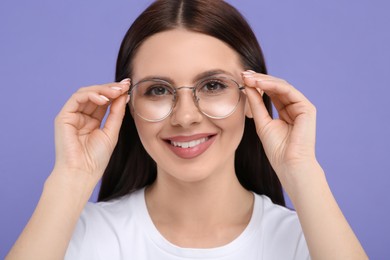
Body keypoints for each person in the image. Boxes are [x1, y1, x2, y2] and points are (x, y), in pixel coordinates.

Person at [7, 0, 368, 259]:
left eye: (212, 86)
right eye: (158, 90)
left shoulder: (308, 241)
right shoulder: (76, 235)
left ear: (251, 98)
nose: (185, 117)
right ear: (128, 106)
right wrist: (69, 178)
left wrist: (303, 171)